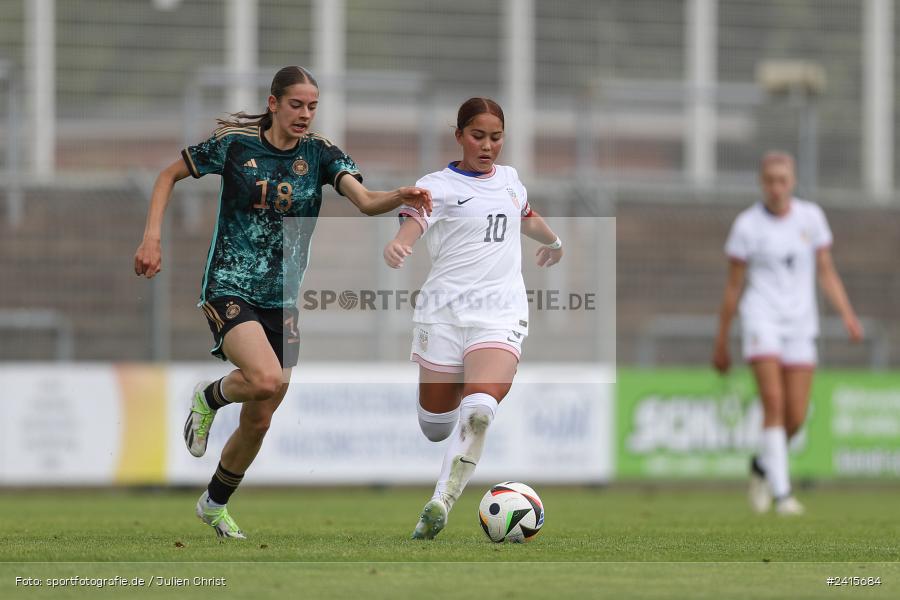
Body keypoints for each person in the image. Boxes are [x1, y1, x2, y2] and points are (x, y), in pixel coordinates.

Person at [134, 66, 431, 539]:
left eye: (312, 106)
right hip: (229, 285)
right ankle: (208, 397)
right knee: (264, 378)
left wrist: (400, 194)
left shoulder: (321, 153)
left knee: (262, 415)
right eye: (296, 104)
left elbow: (367, 201)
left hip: (283, 300)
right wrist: (152, 238)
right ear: (273, 103)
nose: (305, 114)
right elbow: (168, 175)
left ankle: (214, 504)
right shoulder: (236, 145)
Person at [383, 97, 563, 539]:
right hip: (443, 316)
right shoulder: (437, 186)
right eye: (478, 136)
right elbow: (415, 220)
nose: (487, 146)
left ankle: (440, 502)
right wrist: (401, 242)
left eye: (496, 137)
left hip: (500, 315)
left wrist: (554, 240)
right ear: (459, 135)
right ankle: (449, 422)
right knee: (435, 427)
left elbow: (525, 215)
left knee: (480, 411)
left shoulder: (510, 180)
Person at [712, 151, 862, 516]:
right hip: (761, 318)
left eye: (783, 180)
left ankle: (763, 466)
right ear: (761, 183)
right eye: (770, 181)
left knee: (795, 416)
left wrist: (847, 314)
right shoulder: (747, 225)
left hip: (800, 324)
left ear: (792, 181)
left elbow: (826, 271)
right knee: (774, 404)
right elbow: (733, 287)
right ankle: (782, 496)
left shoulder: (812, 218)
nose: (776, 188)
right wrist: (722, 339)